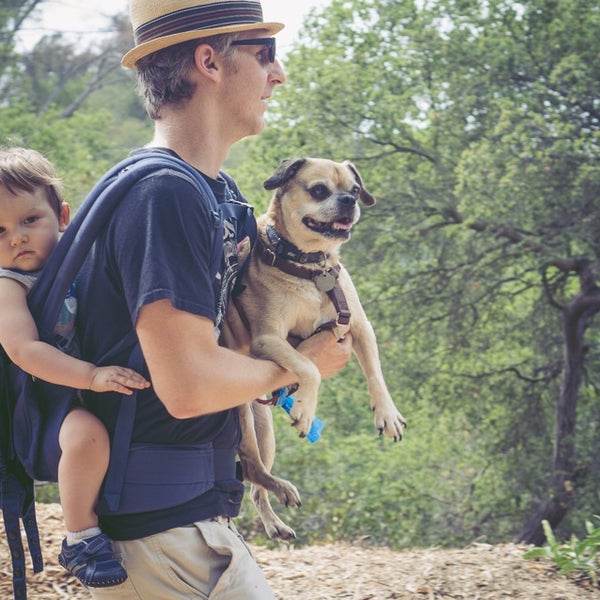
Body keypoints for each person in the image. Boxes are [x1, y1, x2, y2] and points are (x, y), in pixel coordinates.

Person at [72, 1, 354, 598]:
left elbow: (231, 344)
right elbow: (189, 387)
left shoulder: (217, 194)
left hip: (192, 522)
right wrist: (305, 368)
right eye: (265, 56)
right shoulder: (164, 196)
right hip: (163, 541)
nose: (278, 75)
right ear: (209, 62)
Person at [0, 146, 150, 587]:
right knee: (86, 435)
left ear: (63, 216)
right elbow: (25, 350)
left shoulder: (87, 262)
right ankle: (80, 538)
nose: (16, 238)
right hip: (47, 407)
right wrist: (90, 376)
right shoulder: (9, 285)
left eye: (30, 221)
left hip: (98, 392)